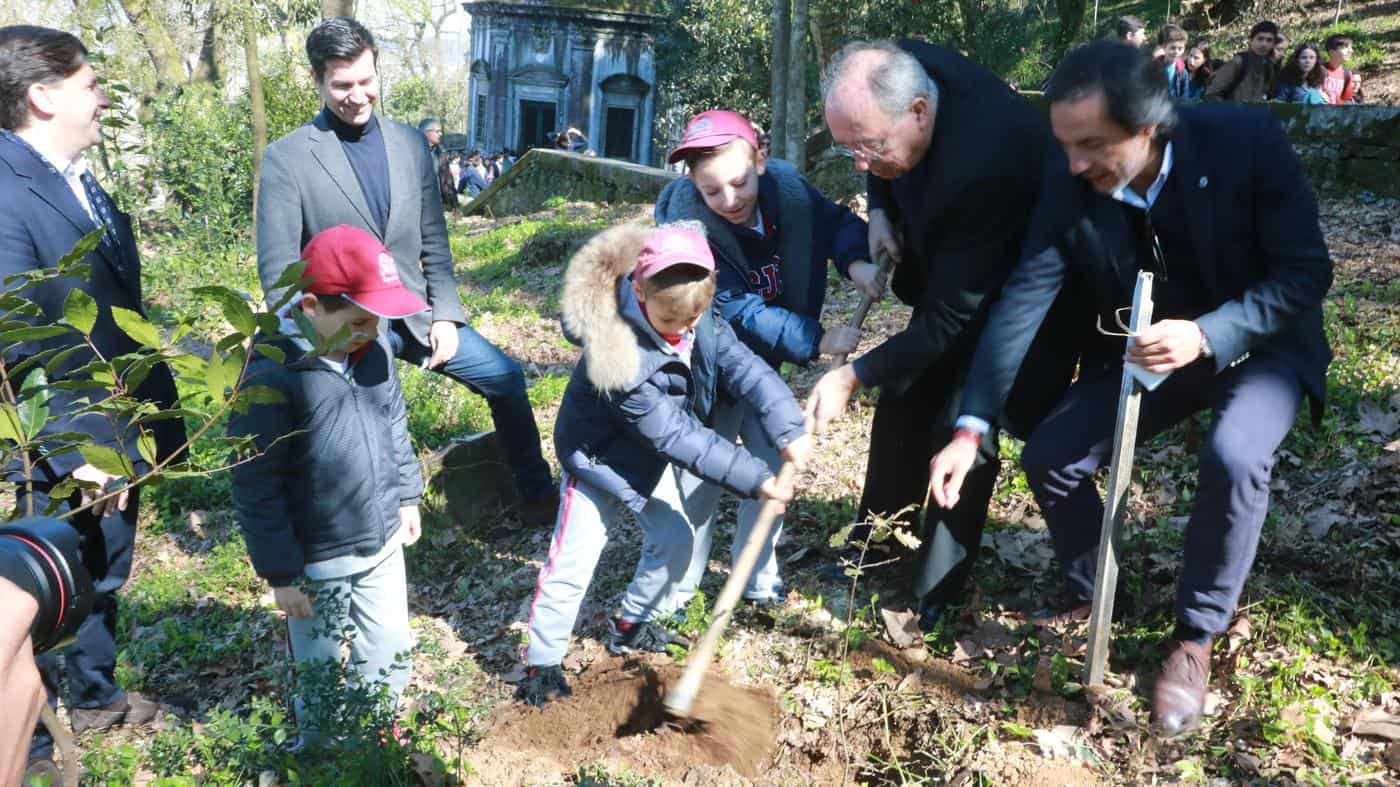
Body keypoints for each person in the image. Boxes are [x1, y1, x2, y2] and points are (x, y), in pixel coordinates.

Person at [928, 40, 1332, 735]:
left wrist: (1208, 333)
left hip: (1261, 342)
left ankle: (1194, 637)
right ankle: (1094, 589)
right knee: (1051, 453)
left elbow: (1305, 274)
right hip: (1156, 348)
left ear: (1150, 126)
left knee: (1235, 455)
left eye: (1093, 144)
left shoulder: (1248, 142)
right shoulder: (1070, 179)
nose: (1075, 163)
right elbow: (1023, 296)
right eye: (1065, 144)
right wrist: (972, 424)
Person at [805, 40, 1081, 634]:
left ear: (921, 111)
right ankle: (875, 547)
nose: (859, 160)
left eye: (870, 148)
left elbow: (950, 322)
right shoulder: (893, 71)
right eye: (849, 147)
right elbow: (875, 144)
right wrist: (880, 207)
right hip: (954, 265)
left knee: (963, 423)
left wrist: (851, 375)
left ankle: (936, 590)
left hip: (1022, 292)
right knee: (904, 396)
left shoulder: (989, 159)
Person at [256, 18, 558, 524]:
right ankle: (382, 524)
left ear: (377, 67)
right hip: (346, 325)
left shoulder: (409, 144)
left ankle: (537, 498)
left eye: (366, 80)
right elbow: (279, 276)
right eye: (342, 85)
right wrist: (320, 347)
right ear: (317, 80)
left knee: (506, 379)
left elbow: (434, 242)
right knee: (372, 423)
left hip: (415, 312)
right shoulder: (288, 158)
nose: (357, 95)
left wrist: (447, 316)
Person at [516, 223, 810, 705]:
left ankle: (631, 622)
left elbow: (747, 369)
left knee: (675, 540)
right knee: (574, 559)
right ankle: (541, 663)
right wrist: (757, 480)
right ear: (637, 290)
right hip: (598, 460)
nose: (685, 332)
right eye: (672, 323)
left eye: (694, 319)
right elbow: (679, 436)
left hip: (648, 456)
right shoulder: (617, 355)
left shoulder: (699, 316)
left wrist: (788, 426)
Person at [0, 25, 187, 782]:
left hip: (122, 419)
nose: (102, 97)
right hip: (65, 430)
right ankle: (31, 736)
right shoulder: (7, 187)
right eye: (89, 84)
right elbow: (19, 328)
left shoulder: (72, 172)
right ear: (43, 96)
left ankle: (97, 692)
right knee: (46, 578)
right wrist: (77, 452)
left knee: (104, 568)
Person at [654, 109, 874, 608]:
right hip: (706, 373)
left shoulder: (790, 194)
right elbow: (737, 310)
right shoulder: (688, 237)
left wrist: (856, 261)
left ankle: (758, 577)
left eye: (738, 182)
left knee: (771, 469)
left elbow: (834, 221)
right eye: (712, 191)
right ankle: (674, 592)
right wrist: (815, 339)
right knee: (699, 483)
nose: (729, 200)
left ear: (761, 159)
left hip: (765, 371)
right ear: (693, 185)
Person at [229, 224, 427, 748]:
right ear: (312, 305)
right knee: (317, 664)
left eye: (379, 319)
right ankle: (319, 751)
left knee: (389, 646)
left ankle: (376, 734)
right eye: (359, 320)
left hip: (382, 536)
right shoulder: (271, 375)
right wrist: (280, 572)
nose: (372, 329)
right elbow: (256, 482)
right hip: (315, 560)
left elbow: (395, 422)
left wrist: (408, 495)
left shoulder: (374, 350)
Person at [1204, 21, 1281, 101]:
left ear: (1273, 44)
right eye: (1260, 39)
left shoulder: (1269, 67)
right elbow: (1212, 94)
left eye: (1269, 40)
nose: (1264, 44)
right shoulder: (1238, 62)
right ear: (1251, 40)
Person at [418, 117, 456, 209]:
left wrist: (454, 204)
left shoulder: (441, 153)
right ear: (426, 132)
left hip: (438, 205)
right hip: (419, 205)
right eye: (437, 131)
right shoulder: (412, 151)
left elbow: (448, 181)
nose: (441, 134)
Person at [1321, 34, 1362, 104]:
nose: (1351, 51)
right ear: (1332, 52)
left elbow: (1346, 101)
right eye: (1346, 47)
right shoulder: (1319, 70)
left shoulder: (1347, 74)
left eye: (1351, 48)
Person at [1158, 25, 1189, 98]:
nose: (1176, 52)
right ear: (1164, 47)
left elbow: (1184, 96)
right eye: (1172, 48)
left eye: (1180, 48)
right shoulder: (1154, 68)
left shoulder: (1183, 72)